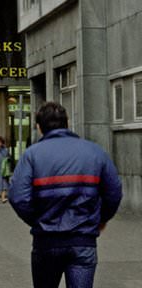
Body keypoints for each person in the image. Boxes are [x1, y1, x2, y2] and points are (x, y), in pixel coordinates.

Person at [8, 101, 122, 288]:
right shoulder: (95, 152)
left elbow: (18, 197)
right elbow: (114, 192)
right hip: (83, 241)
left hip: (46, 242)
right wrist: (100, 219)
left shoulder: (32, 155)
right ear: (68, 122)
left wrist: (38, 220)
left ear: (38, 127)